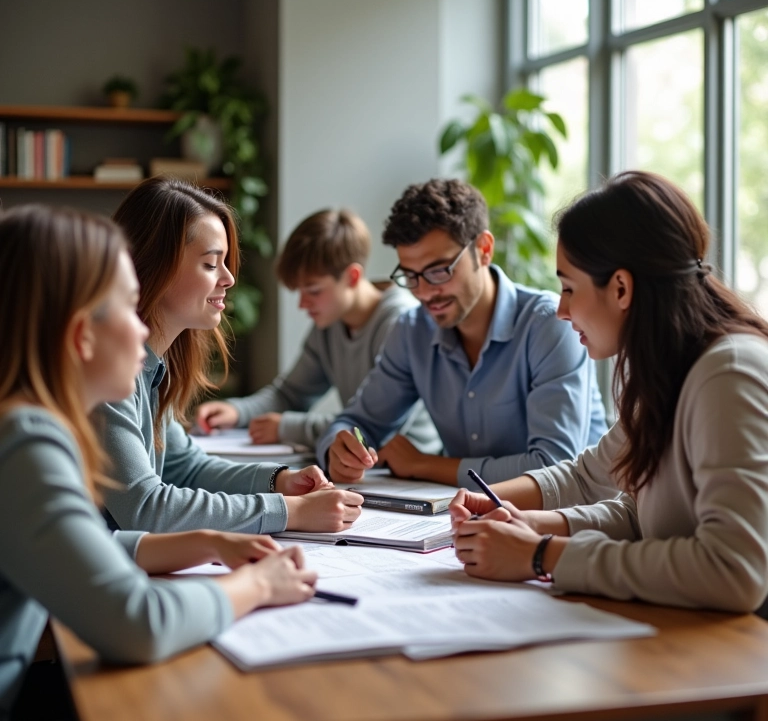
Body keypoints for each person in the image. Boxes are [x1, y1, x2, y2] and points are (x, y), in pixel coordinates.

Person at [0, 205, 319, 721]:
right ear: (81, 335)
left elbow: (70, 549)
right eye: (129, 308)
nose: (142, 331)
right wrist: (259, 586)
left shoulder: (24, 425)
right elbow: (138, 624)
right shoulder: (25, 444)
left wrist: (208, 542)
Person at [450, 171, 768, 615]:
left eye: (567, 288)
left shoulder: (727, 375)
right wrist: (525, 521)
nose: (560, 310)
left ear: (620, 287)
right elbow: (631, 509)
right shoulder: (667, 371)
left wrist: (541, 555)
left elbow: (734, 570)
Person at [99, 177, 363, 534]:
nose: (229, 278)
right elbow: (146, 508)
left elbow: (186, 467)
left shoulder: (153, 368)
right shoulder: (106, 372)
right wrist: (289, 511)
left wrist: (280, 481)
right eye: (211, 264)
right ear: (153, 265)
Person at [318, 178, 607, 485]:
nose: (426, 292)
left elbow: (553, 467)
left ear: (483, 250)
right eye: (411, 276)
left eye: (439, 270)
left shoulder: (550, 325)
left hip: (575, 519)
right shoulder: (412, 331)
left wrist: (424, 465)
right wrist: (338, 450)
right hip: (469, 518)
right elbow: (357, 421)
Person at [195, 208, 439, 452]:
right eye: (299, 291)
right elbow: (291, 395)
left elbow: (377, 426)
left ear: (352, 276)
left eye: (313, 291)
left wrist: (287, 427)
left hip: (411, 470)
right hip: (366, 465)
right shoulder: (330, 322)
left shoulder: (401, 321)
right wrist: (237, 412)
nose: (302, 304)